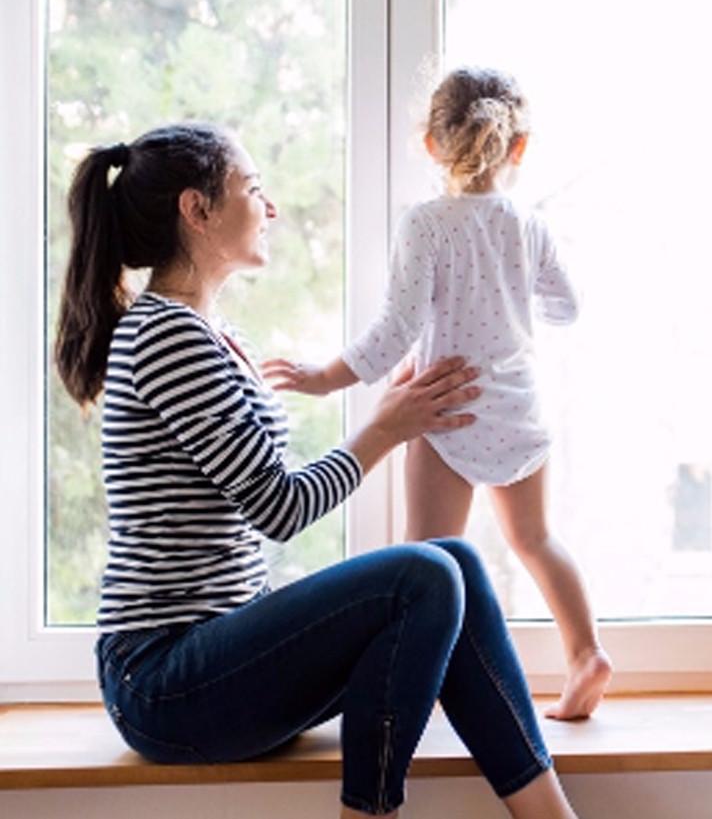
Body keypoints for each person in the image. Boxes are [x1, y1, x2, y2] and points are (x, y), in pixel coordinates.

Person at [54, 122, 581, 819]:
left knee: (451, 558)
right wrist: (385, 428)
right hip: (164, 681)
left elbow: (266, 492)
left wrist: (390, 418)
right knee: (422, 574)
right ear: (197, 209)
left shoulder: (212, 334)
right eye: (252, 188)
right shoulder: (164, 335)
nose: (269, 208)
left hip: (214, 657)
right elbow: (280, 506)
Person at [264, 68, 612, 720]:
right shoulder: (526, 224)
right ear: (519, 147)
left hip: (444, 409)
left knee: (424, 562)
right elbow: (566, 305)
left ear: (429, 144)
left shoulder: (424, 225)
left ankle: (415, 692)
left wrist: (321, 376)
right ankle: (585, 652)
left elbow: (393, 332)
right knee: (535, 539)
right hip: (517, 407)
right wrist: (509, 294)